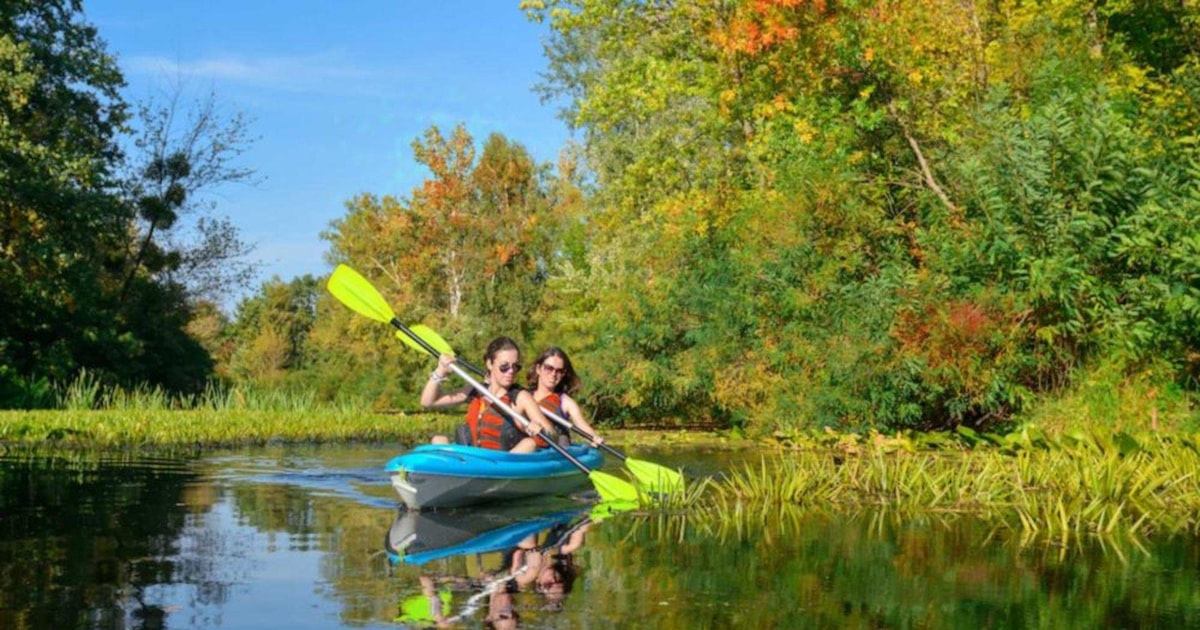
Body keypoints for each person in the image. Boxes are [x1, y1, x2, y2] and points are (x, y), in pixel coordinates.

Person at [420, 336, 553, 453]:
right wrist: (440, 372)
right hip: (473, 459)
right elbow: (428, 402)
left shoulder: (521, 397)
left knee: (529, 444)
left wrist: (541, 430)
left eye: (515, 366)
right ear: (489, 363)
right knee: (438, 440)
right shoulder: (476, 390)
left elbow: (552, 434)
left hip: (504, 464)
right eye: (504, 366)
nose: (511, 371)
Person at [526, 347, 604, 447]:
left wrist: (594, 437)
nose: (553, 374)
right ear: (538, 369)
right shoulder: (524, 397)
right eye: (549, 368)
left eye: (559, 371)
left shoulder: (566, 402)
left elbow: (581, 424)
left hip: (556, 452)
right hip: (530, 450)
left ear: (563, 374)